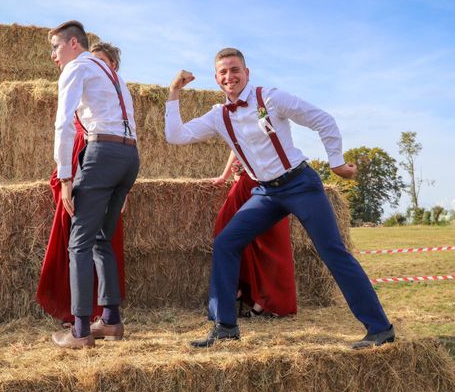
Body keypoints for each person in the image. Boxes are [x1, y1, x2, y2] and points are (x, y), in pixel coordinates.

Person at [165, 47, 394, 349]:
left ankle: (380, 329)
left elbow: (322, 119)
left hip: (299, 183)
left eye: (235, 70)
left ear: (246, 73)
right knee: (226, 242)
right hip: (266, 192)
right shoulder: (218, 116)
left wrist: (336, 162)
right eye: (223, 72)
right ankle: (225, 327)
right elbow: (175, 136)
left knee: (332, 252)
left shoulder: (270, 98)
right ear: (216, 78)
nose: (229, 76)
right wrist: (173, 93)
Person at [48, 21, 139, 349]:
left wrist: (65, 177)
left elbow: (63, 122)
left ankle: (81, 330)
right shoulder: (113, 74)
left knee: (79, 243)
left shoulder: (77, 68)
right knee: (102, 238)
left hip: (102, 153)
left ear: (74, 43)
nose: (54, 56)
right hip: (130, 156)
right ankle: (111, 320)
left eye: (56, 47)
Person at [36, 41, 127, 326]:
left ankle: (94, 316)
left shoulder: (117, 96)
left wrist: (125, 189)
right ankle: (72, 308)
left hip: (99, 162)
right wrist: (66, 176)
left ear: (113, 68)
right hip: (76, 159)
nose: (95, 66)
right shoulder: (78, 80)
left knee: (99, 240)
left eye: (102, 62)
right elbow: (63, 125)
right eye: (92, 60)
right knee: (72, 237)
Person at [212, 151, 297, 317]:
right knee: (229, 232)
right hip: (250, 181)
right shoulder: (237, 126)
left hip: (267, 181)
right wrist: (227, 173)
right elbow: (234, 146)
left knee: (269, 242)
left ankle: (263, 300)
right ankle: (242, 289)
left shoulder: (274, 126)